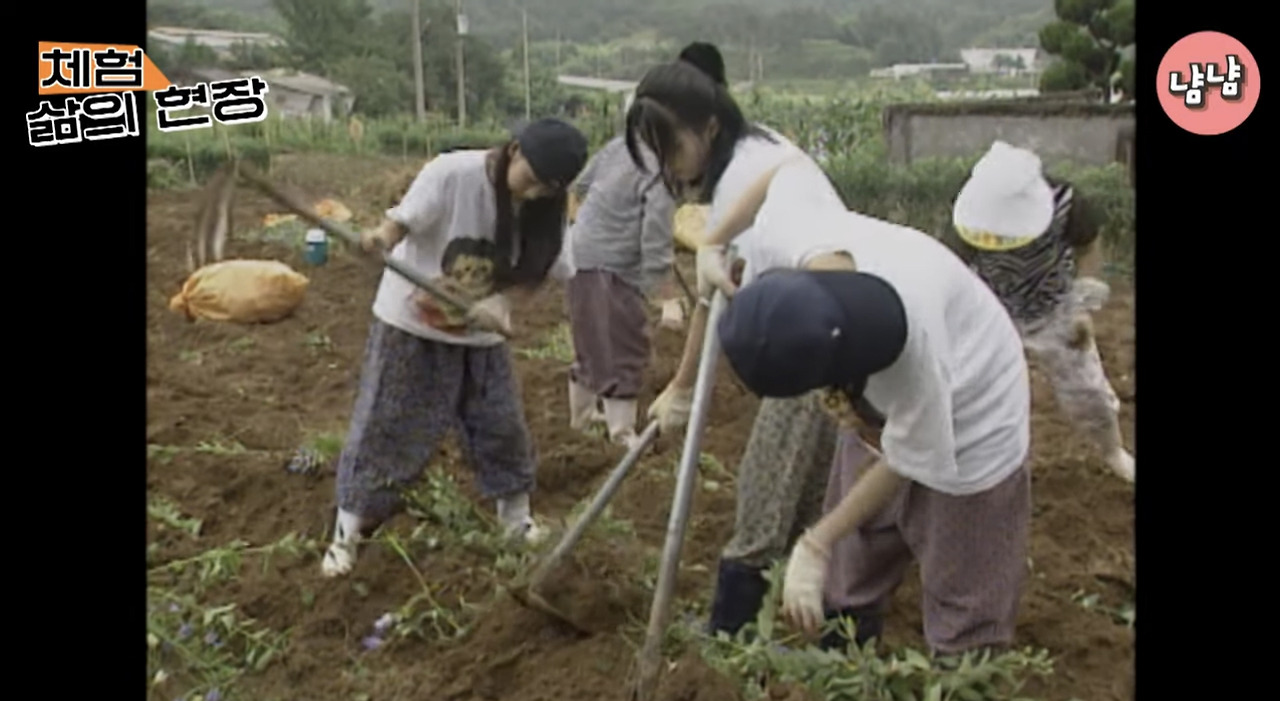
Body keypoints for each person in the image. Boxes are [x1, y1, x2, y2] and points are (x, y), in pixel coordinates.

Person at [699, 172, 1033, 660]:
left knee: (961, 578)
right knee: (853, 559)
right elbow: (783, 171)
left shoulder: (919, 357)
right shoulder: (793, 237)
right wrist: (713, 241)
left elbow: (905, 463)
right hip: (894, 396)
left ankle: (962, 670)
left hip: (974, 418)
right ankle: (845, 666)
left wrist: (816, 541)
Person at [624, 60, 849, 639]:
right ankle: (789, 622)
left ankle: (732, 631)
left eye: (670, 146)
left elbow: (712, 299)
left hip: (821, 341)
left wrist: (682, 385)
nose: (669, 165)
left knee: (767, 490)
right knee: (804, 491)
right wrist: (680, 384)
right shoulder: (758, 149)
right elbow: (716, 292)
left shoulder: (741, 184)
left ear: (710, 130)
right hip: (827, 330)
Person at [321, 118, 590, 578]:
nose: (534, 194)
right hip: (410, 329)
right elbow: (398, 225)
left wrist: (503, 302)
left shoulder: (545, 207)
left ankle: (515, 522)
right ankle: (345, 537)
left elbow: (542, 269)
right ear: (515, 150)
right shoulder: (452, 173)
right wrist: (378, 241)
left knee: (501, 427)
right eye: (531, 180)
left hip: (480, 339)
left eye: (547, 189)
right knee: (384, 429)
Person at [951, 141, 1134, 482]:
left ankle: (1113, 452)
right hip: (992, 310)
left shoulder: (1066, 201)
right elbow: (960, 266)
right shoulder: (970, 206)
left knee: (1087, 390)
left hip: (1054, 309)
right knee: (973, 390)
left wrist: (1082, 307)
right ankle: (980, 464)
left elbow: (1088, 248)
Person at [563, 134, 677, 448]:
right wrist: (669, 300)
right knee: (625, 343)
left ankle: (583, 416)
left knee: (589, 338)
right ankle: (622, 433)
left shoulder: (620, 144)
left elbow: (581, 186)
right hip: (613, 266)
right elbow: (656, 244)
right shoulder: (660, 170)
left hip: (579, 252)